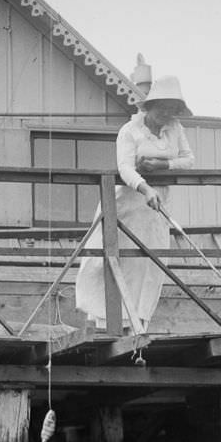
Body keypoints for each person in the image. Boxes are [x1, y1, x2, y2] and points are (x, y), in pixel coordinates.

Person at [74, 75, 196, 333]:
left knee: (148, 264)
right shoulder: (129, 131)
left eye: (172, 109)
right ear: (150, 106)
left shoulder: (175, 129)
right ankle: (107, 324)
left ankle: (137, 325)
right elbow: (125, 168)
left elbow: (188, 159)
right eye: (162, 107)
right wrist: (145, 187)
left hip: (154, 208)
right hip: (127, 203)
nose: (167, 113)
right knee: (106, 260)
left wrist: (163, 166)